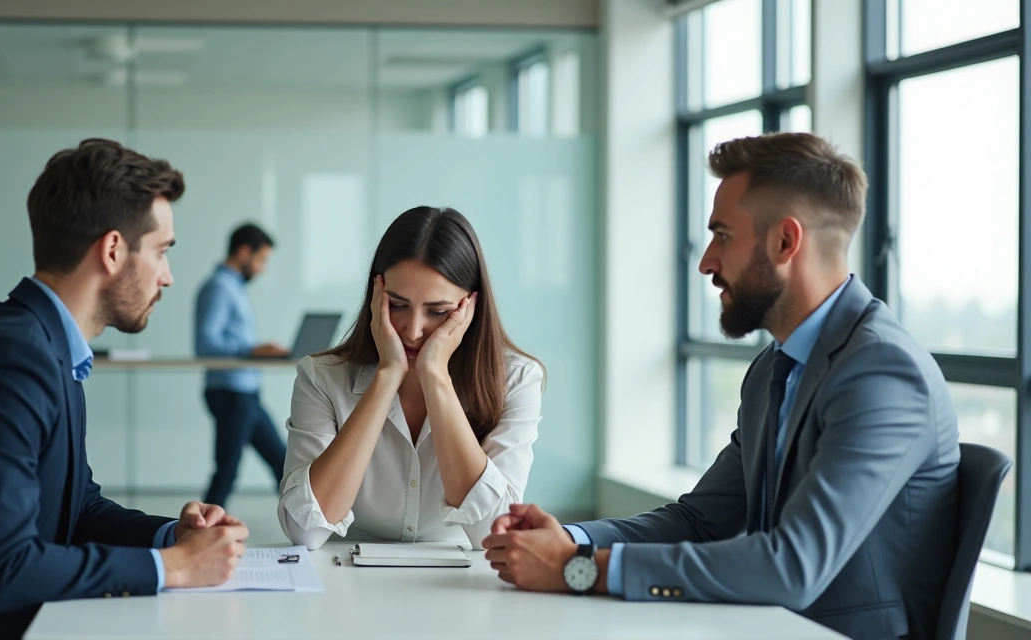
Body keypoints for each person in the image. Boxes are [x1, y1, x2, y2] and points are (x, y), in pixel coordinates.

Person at [482, 133, 959, 640]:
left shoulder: (883, 373)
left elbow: (792, 567)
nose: (706, 262)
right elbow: (701, 522)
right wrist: (567, 540)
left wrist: (578, 570)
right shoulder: (774, 368)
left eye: (723, 236)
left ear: (785, 242)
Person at [0, 139, 249, 640]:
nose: (168, 277)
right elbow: (5, 568)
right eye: (162, 252)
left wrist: (171, 537)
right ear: (113, 250)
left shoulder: (44, 345)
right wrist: (174, 568)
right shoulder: (11, 359)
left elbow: (78, 508)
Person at [278, 206, 545, 551]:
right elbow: (305, 531)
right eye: (398, 305)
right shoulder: (321, 378)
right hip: (345, 576)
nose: (414, 331)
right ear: (376, 296)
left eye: (438, 312)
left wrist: (436, 377)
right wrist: (387, 376)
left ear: (470, 308)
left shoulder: (517, 380)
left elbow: (492, 533)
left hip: (463, 578)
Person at [194, 223, 289, 507]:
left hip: (245, 393)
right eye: (261, 259)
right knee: (227, 470)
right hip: (231, 393)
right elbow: (205, 345)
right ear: (244, 252)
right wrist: (251, 350)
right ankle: (200, 529)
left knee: (281, 461)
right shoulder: (219, 288)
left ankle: (307, 523)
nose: (262, 268)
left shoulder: (233, 288)